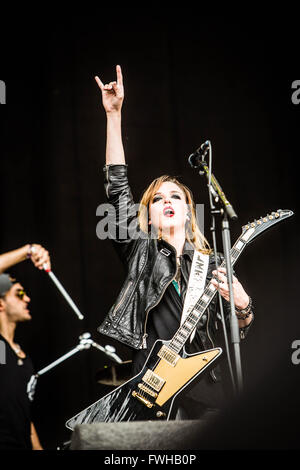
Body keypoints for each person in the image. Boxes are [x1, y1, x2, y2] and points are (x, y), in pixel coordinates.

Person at [94, 66, 254, 420]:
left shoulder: (210, 265)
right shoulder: (141, 250)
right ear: (148, 217)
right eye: (157, 199)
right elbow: (117, 187)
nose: (166, 201)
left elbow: (235, 330)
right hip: (151, 386)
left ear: (188, 211)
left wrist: (243, 307)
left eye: (175, 197)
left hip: (208, 391)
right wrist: (114, 116)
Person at [0, 244, 50, 450]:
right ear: (0, 303)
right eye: (19, 294)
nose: (27, 298)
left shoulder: (22, 357)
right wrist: (28, 251)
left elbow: (24, 416)